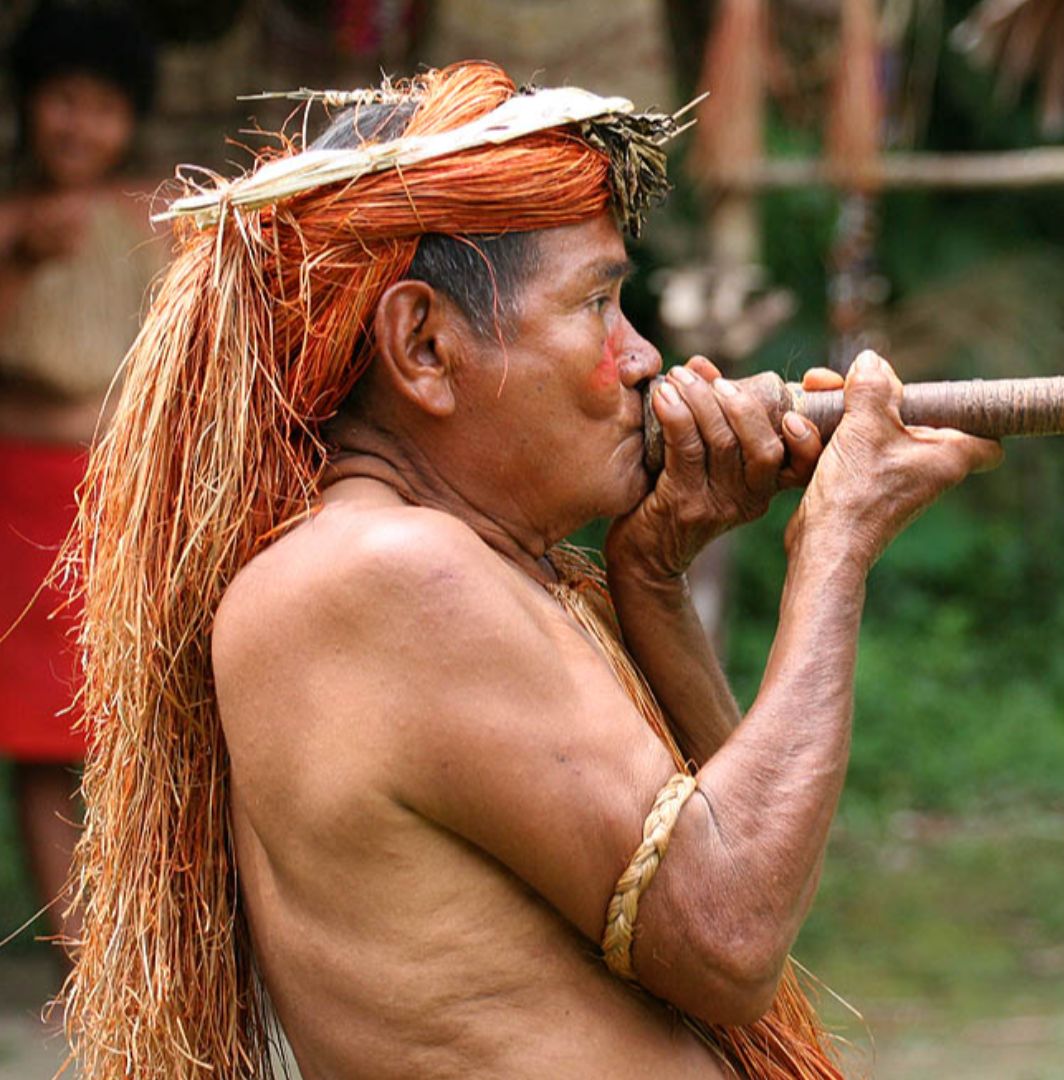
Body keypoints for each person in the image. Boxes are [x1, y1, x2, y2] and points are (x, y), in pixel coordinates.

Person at [59, 62, 999, 1078]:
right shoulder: (390, 575)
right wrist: (838, 541)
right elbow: (731, 940)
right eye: (599, 306)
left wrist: (651, 585)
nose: (645, 358)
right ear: (424, 346)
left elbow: (749, 873)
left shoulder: (425, 565)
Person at [0, 2, 161, 958]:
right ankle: (79, 959)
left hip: (125, 496)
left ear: (132, 119)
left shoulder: (157, 217)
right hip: (19, 501)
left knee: (131, 721)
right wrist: (18, 257)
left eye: (102, 107)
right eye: (61, 100)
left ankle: (147, 945)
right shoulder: (6, 219)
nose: (78, 125)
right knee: (38, 733)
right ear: (27, 105)